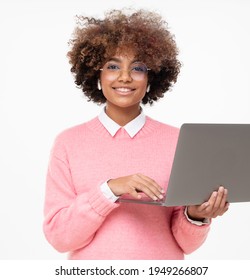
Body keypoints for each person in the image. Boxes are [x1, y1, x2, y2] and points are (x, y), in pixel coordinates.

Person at [43, 8, 229, 260]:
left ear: (151, 77)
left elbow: (185, 244)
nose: (124, 77)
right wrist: (110, 189)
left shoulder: (178, 141)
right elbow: (59, 238)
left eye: (138, 68)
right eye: (112, 66)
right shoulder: (68, 143)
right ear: (96, 75)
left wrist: (196, 215)